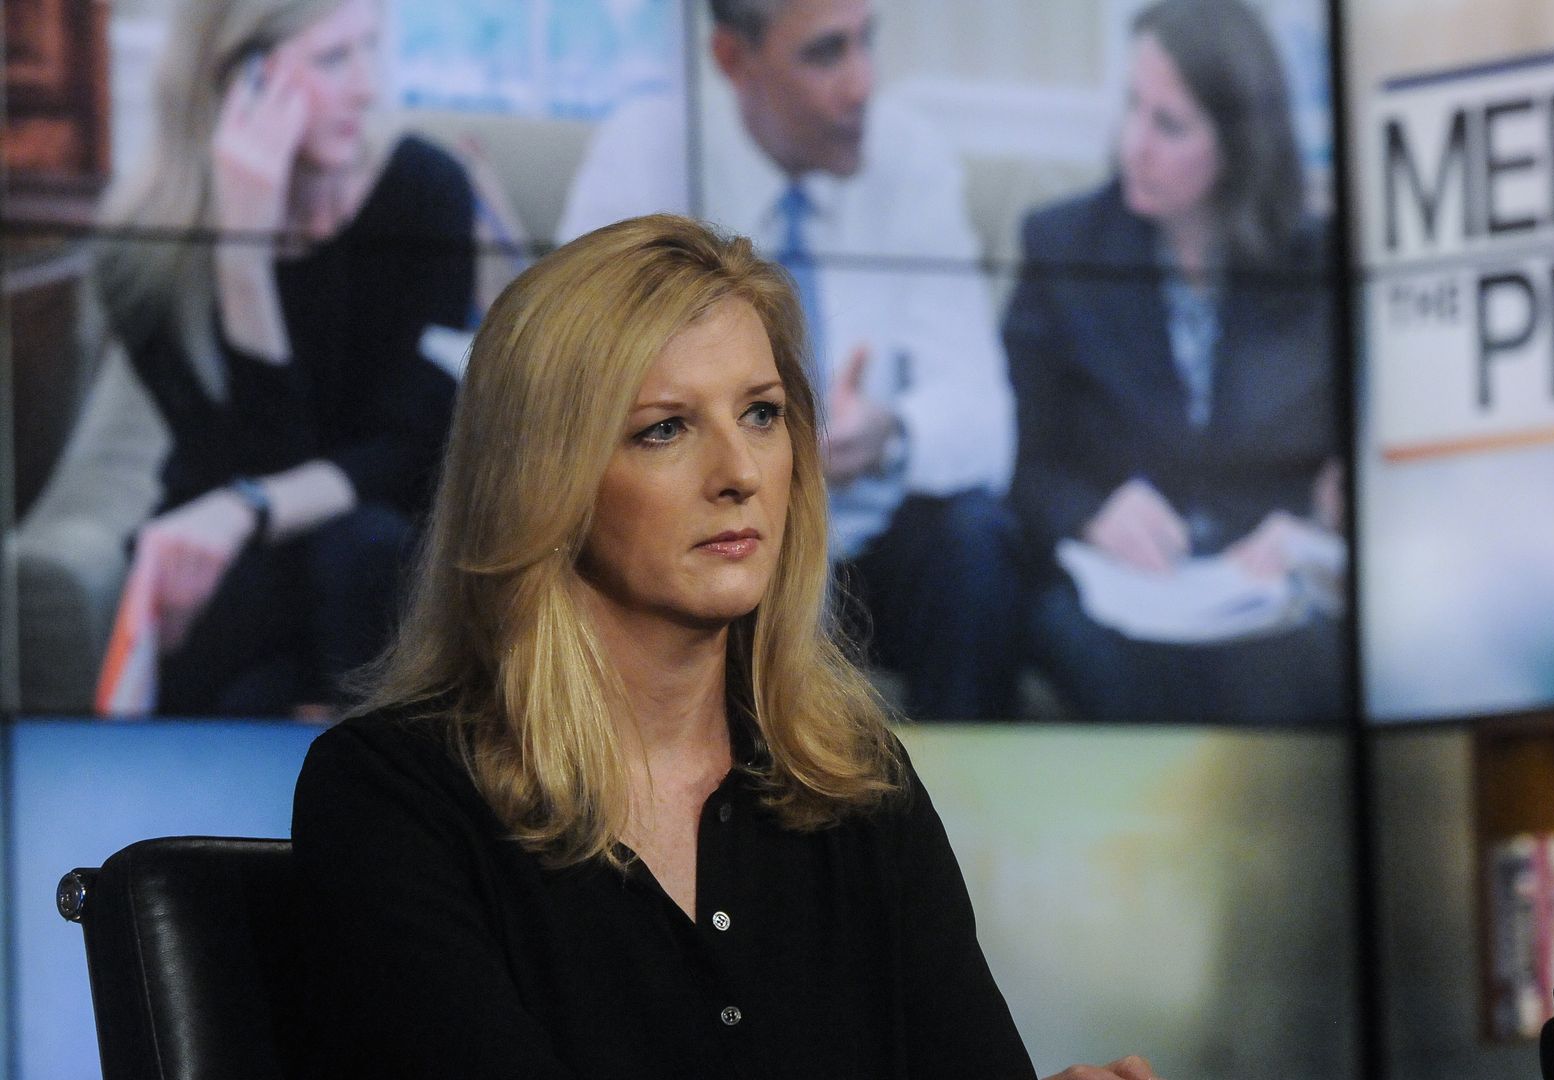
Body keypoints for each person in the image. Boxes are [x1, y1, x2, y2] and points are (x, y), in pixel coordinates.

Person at [291, 215, 1157, 1080]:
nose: (740, 472)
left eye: (762, 414)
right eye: (665, 428)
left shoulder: (854, 786)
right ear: (543, 479)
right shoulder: (390, 799)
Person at [558, 0, 1022, 720]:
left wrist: (888, 437)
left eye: (867, 42)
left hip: (865, 549)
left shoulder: (911, 157)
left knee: (977, 540)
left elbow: (987, 429)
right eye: (825, 53)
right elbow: (572, 411)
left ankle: (960, 822)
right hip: (706, 537)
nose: (862, 82)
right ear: (733, 62)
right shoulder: (646, 154)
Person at [92, 0, 476, 716]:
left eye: (370, 49)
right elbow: (245, 456)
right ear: (238, 80)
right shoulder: (139, 256)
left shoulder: (426, 191)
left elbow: (410, 449)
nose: (367, 87)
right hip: (240, 561)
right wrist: (243, 256)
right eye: (334, 59)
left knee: (361, 552)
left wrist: (249, 507)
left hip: (379, 549)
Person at [1002, 0, 1347, 726]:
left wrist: (1316, 534)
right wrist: (1091, 513)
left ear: (1240, 145)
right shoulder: (1063, 245)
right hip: (1115, 589)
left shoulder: (1315, 263)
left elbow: (1359, 460)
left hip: (1262, 589)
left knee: (1301, 661)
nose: (1135, 145)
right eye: (1133, 107)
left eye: (1170, 125)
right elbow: (1018, 461)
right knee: (1102, 653)